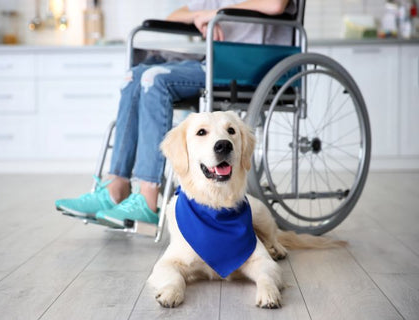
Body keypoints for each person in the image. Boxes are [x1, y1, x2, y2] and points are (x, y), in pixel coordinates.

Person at [55, 0, 296, 227]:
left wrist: (215, 14)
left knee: (154, 79)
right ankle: (115, 187)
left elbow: (275, 4)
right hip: (217, 62)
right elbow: (175, 16)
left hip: (251, 66)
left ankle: (148, 198)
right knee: (135, 76)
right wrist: (199, 17)